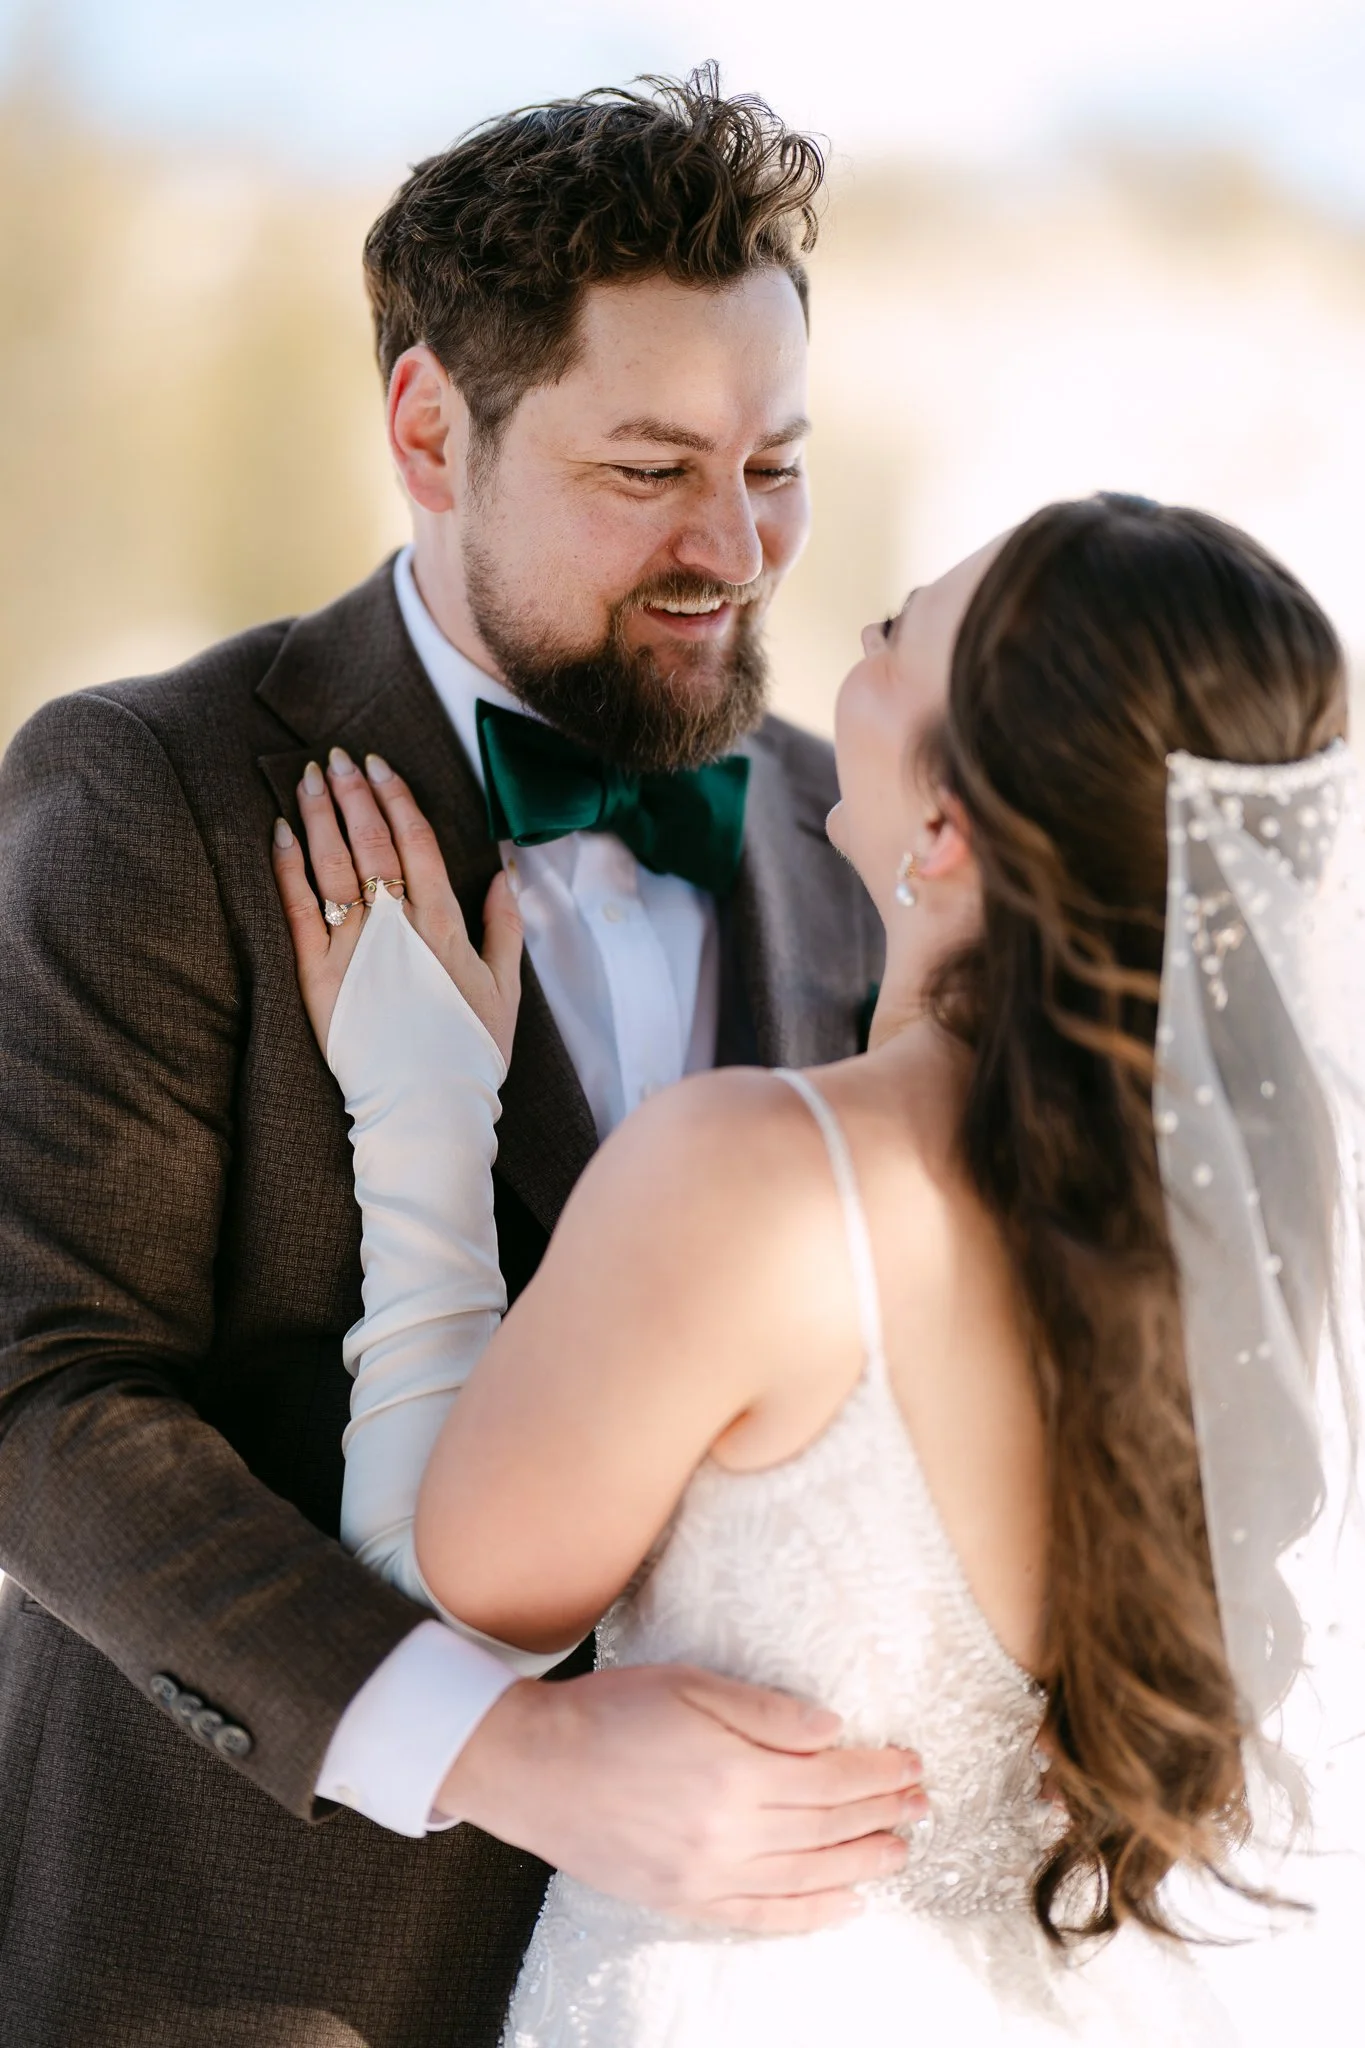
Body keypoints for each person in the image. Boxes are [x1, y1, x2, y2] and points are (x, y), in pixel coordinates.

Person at [0, 72, 923, 2048]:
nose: (736, 550)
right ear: (430, 428)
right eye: (649, 468)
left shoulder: (859, 850)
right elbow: (47, 1404)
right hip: (252, 1977)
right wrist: (499, 1744)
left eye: (776, 461)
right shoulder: (147, 790)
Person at [275, 491, 1355, 2043]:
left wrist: (421, 1107)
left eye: (896, 634)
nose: (842, 637)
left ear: (946, 829)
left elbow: (448, 1600)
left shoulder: (760, 1183)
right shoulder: (1233, 1247)